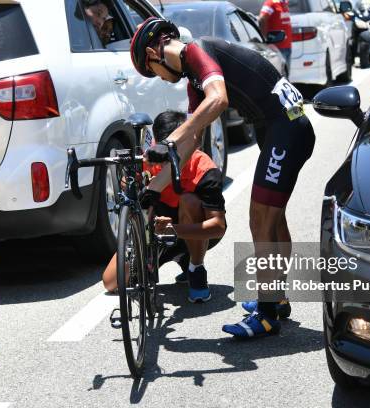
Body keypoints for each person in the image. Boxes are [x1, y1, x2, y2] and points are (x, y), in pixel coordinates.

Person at [129, 18, 315, 338]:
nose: (160, 79)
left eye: (152, 71)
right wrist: (153, 190)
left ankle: (267, 314)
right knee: (274, 219)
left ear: (153, 52)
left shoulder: (196, 51)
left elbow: (219, 100)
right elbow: (193, 141)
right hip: (279, 128)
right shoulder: (192, 78)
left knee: (260, 220)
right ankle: (278, 299)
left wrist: (170, 140)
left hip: (286, 128)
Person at [102, 110, 227, 303]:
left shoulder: (204, 168)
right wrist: (132, 183)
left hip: (193, 232)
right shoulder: (150, 160)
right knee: (111, 282)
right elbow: (130, 190)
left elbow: (218, 227)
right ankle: (178, 257)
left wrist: (174, 229)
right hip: (156, 236)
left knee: (188, 200)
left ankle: (196, 267)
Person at [259, 0, 293, 68]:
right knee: (280, 76)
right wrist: (265, 39)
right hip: (277, 48)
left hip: (287, 46)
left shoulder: (284, 2)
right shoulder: (271, 3)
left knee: (286, 76)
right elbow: (262, 19)